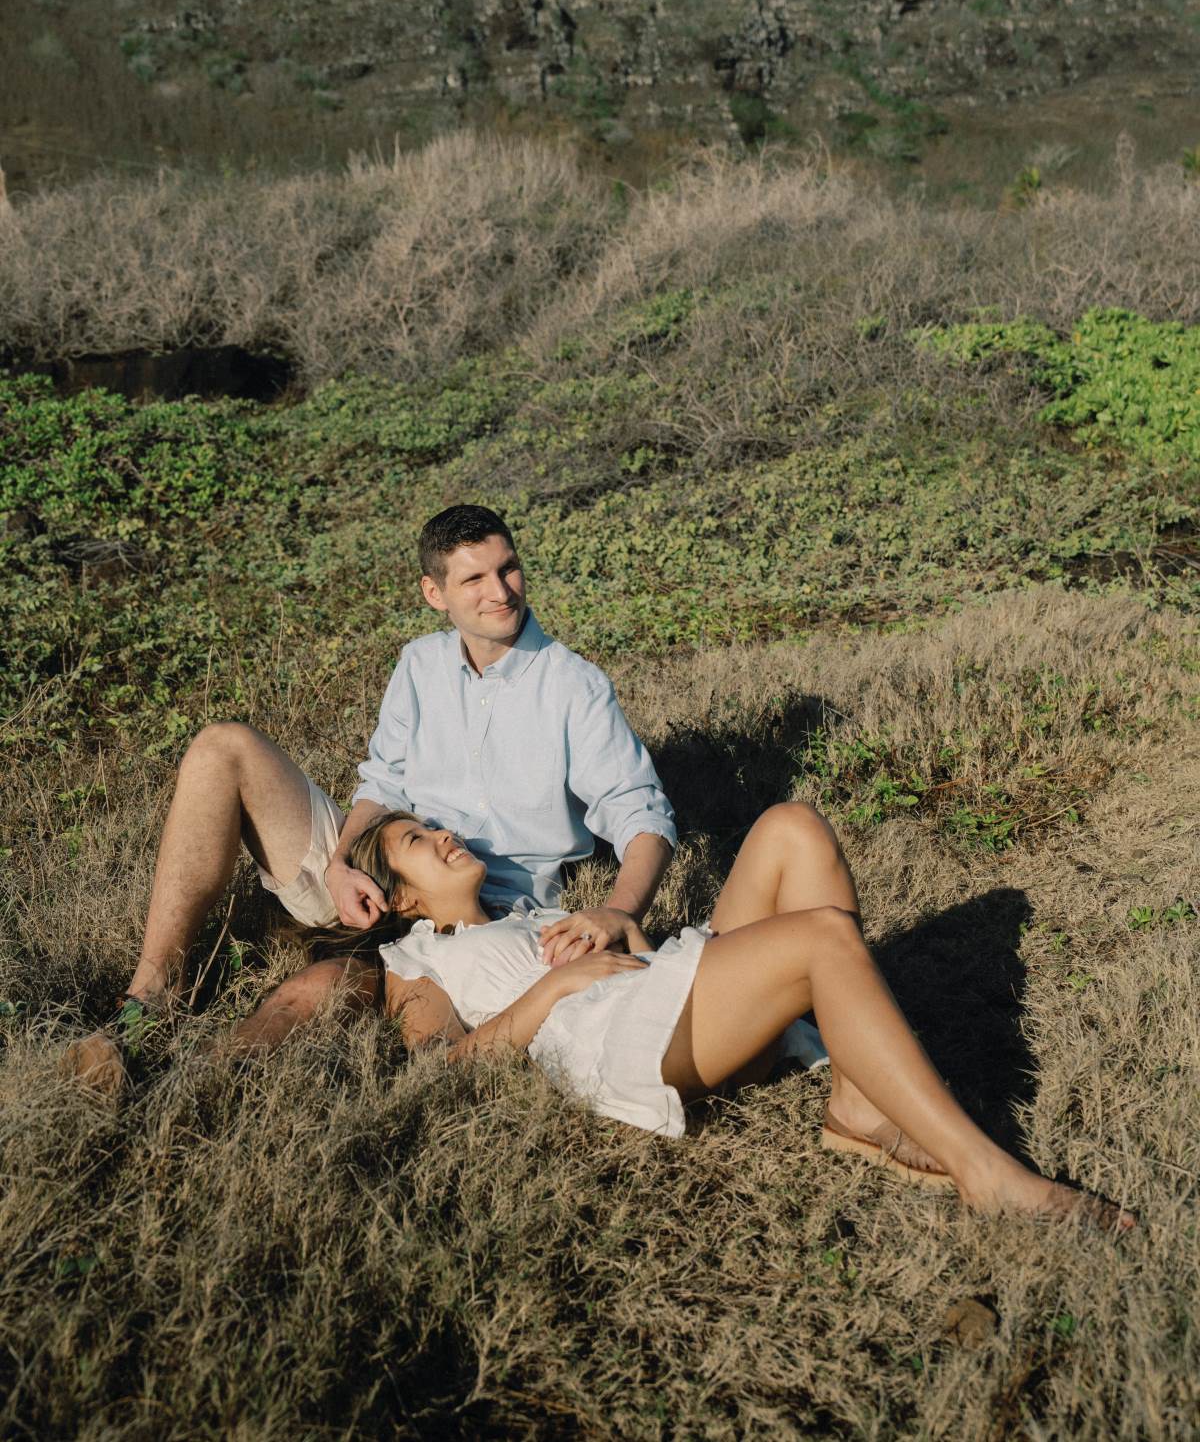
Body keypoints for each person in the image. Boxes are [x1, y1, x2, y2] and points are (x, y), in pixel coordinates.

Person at [228, 802, 1133, 1229]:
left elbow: (631, 952)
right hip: (618, 1043)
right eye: (420, 844)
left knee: (791, 828)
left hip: (660, 991)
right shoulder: (416, 962)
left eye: (433, 825)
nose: (444, 836)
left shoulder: (529, 914)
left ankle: (860, 1107)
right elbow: (445, 1070)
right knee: (822, 940)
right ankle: (989, 1175)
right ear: (407, 904)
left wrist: (610, 925)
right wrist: (549, 992)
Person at [63, 504, 677, 1096]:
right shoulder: (419, 665)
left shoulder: (575, 687)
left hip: (480, 914)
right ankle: (151, 996)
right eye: (475, 579)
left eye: (508, 568)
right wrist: (340, 862)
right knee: (221, 745)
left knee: (314, 991)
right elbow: (382, 784)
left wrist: (620, 910)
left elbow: (640, 812)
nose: (502, 592)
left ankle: (178, 1089)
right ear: (435, 593)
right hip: (383, 860)